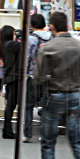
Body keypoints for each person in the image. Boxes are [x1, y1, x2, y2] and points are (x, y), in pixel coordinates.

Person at [34, 11, 80, 159]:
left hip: (54, 95)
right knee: (77, 143)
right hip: (74, 95)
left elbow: (39, 77)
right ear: (67, 26)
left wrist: (52, 81)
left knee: (48, 143)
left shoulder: (48, 49)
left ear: (51, 27)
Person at [24, 14, 53, 143]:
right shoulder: (53, 38)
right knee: (46, 106)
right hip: (49, 77)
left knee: (28, 106)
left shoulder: (31, 39)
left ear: (31, 25)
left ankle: (27, 133)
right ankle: (44, 134)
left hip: (34, 76)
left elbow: (27, 57)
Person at [0, 25, 21, 139]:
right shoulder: (11, 45)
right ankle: (7, 131)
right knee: (11, 105)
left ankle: (7, 130)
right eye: (14, 33)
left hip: (10, 77)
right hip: (13, 77)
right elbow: (24, 45)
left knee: (10, 105)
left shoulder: (4, 45)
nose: (15, 35)